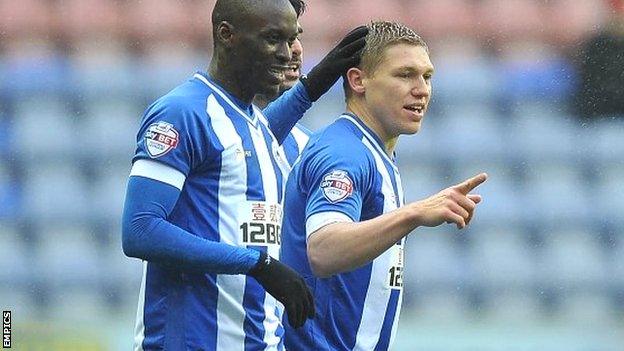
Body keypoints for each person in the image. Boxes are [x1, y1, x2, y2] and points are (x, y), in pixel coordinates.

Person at [120, 0, 367, 349]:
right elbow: (140, 230)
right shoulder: (182, 112)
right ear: (227, 35)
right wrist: (257, 263)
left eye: (292, 39)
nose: (287, 53)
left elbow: (262, 129)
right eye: (272, 39)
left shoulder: (252, 122)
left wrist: (315, 83)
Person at [280, 21, 488, 350]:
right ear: (358, 80)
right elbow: (323, 250)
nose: (421, 89)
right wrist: (414, 214)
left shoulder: (376, 152)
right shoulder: (345, 154)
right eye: (405, 74)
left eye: (427, 76)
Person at [254, 0, 311, 166]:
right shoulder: (199, 120)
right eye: (276, 38)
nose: (296, 49)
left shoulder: (308, 146)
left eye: (296, 37)